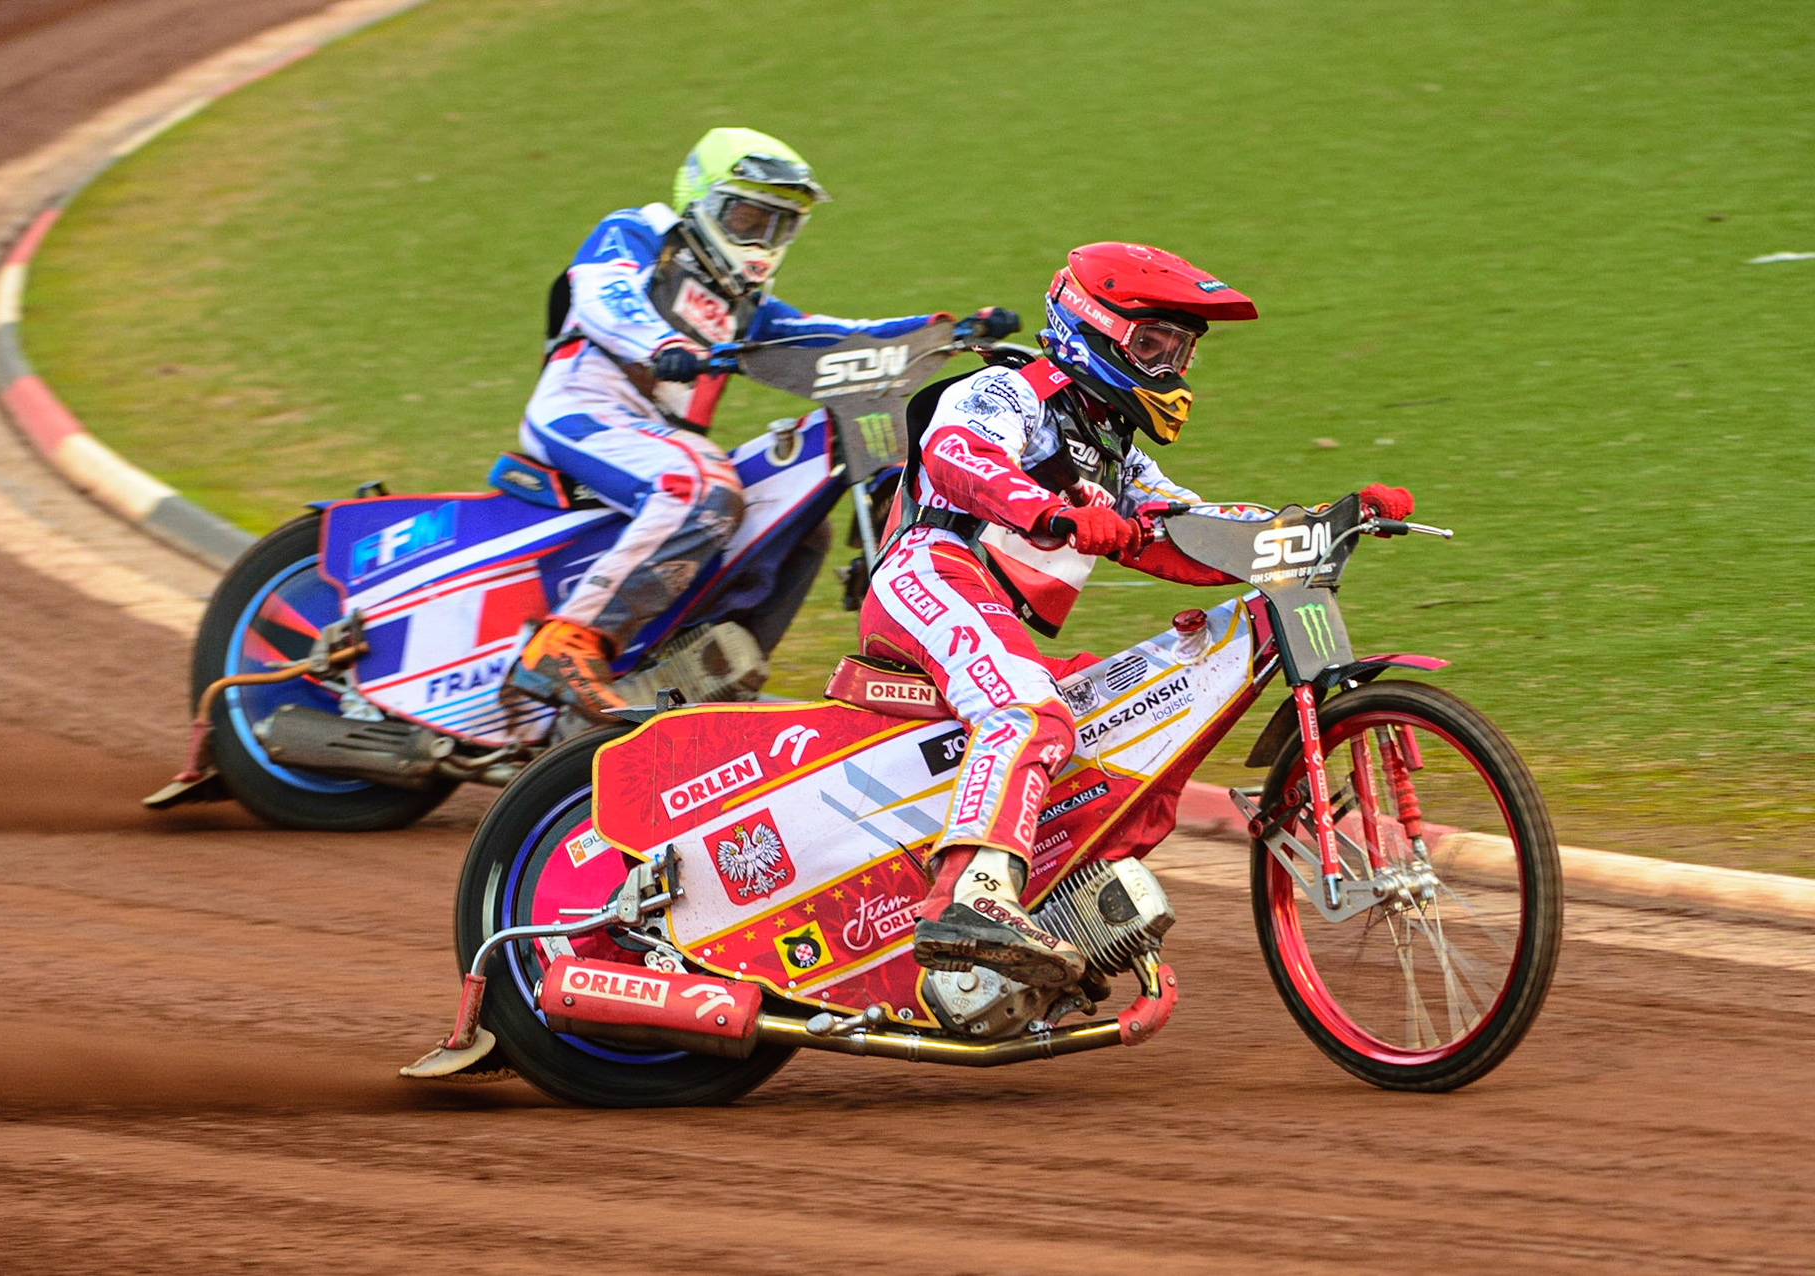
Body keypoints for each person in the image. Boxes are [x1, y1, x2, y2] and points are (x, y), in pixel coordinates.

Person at [860, 241, 1414, 989]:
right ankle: (966, 899)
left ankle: (1059, 921)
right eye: (1152, 344)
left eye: (1180, 350)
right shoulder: (1007, 389)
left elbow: (1184, 525)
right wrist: (1052, 514)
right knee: (1029, 713)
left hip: (988, 609)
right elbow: (962, 456)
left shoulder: (1112, 450)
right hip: (928, 569)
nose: (1170, 368)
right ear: (1092, 326)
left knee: (1128, 733)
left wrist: (1321, 521)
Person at [505, 127, 1005, 720]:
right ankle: (566, 643)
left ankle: (708, 675)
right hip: (584, 405)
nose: (761, 240)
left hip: (657, 435)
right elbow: (604, 294)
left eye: (777, 226)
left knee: (799, 520)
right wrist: (660, 341)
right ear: (705, 199)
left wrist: (940, 333)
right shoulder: (641, 233)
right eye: (748, 218)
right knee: (700, 485)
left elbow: (828, 336)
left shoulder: (746, 304)